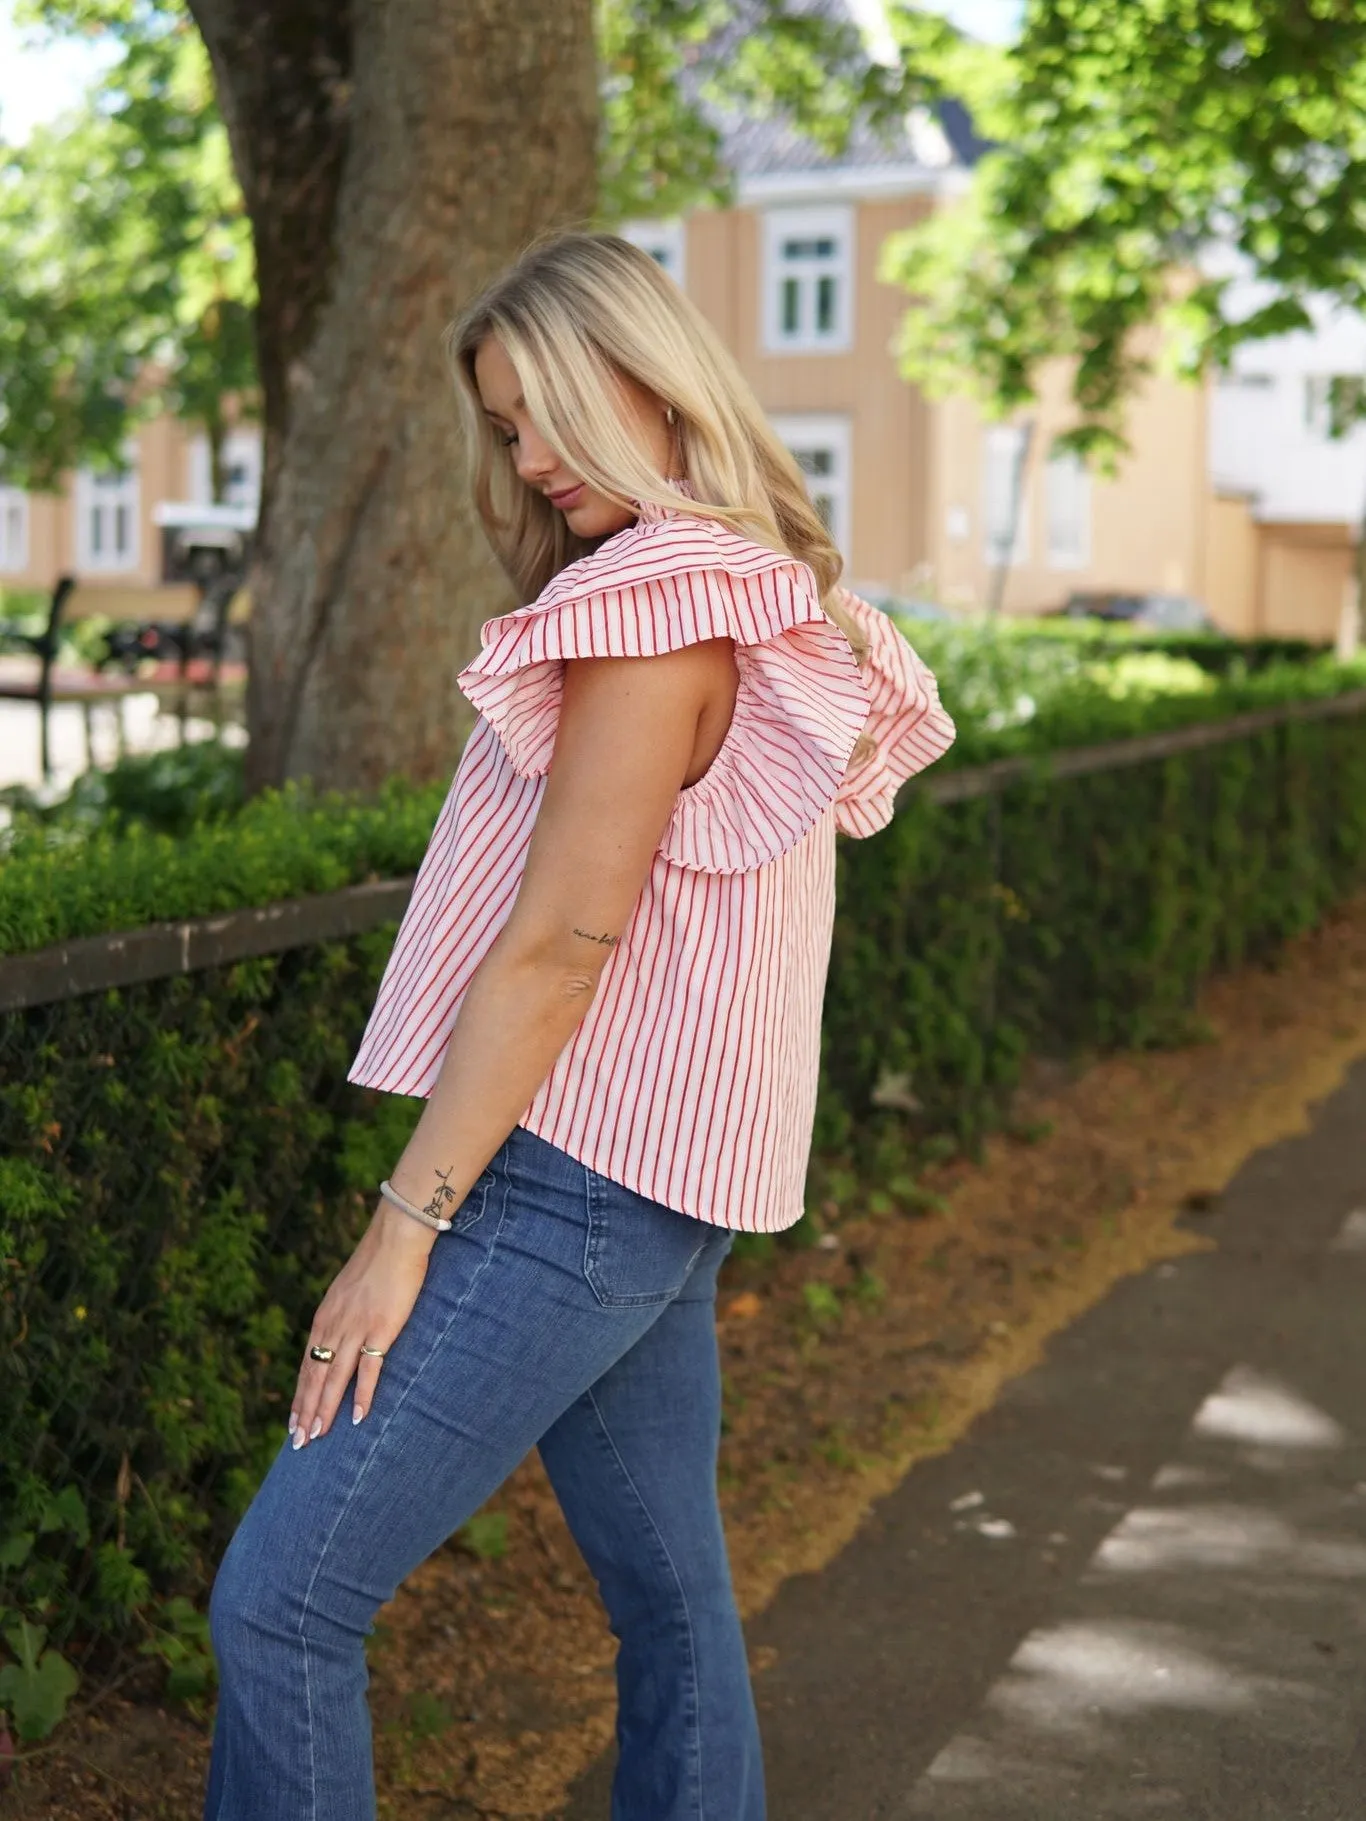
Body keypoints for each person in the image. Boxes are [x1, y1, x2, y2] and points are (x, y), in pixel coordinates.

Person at [204, 230, 955, 1821]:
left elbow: (558, 949)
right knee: (671, 1604)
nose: (530, 458)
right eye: (502, 426)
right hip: (663, 1193)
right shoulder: (766, 593)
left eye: (545, 408)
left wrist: (403, 1224)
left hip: (569, 1190)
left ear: (649, 377)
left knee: (280, 1605)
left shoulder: (653, 611)